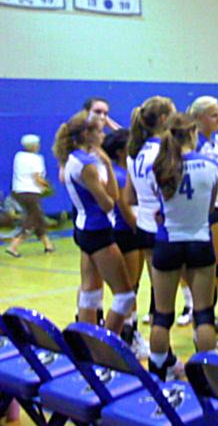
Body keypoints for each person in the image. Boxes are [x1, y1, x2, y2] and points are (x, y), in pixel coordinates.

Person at [147, 113, 218, 381]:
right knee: (203, 314)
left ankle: (157, 375)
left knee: (162, 316)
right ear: (192, 133)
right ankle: (209, 376)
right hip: (200, 242)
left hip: (168, 243)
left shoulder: (160, 167)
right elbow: (210, 207)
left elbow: (161, 205)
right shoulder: (210, 165)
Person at [53, 111, 134, 334]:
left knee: (90, 292)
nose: (102, 135)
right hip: (99, 230)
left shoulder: (71, 158)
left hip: (83, 229)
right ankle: (105, 348)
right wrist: (108, 166)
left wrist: (106, 166)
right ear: (87, 134)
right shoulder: (88, 165)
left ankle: (86, 342)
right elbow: (109, 203)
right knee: (125, 296)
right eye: (99, 130)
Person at [185, 96, 218, 338]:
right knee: (204, 268)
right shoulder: (192, 146)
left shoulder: (214, 145)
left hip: (215, 211)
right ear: (198, 117)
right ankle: (200, 318)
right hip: (199, 214)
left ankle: (207, 314)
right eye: (214, 115)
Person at [125, 96, 176, 324]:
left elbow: (129, 196)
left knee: (155, 282)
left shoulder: (134, 152)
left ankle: (147, 323)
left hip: (144, 223)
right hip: (164, 224)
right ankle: (161, 351)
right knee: (167, 290)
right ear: (164, 118)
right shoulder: (165, 151)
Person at [102, 129, 149, 359]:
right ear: (121, 150)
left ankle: (129, 336)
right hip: (126, 234)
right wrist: (142, 231)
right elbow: (125, 210)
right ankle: (127, 339)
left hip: (126, 233)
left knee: (131, 288)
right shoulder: (120, 176)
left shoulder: (122, 171)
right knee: (129, 289)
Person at [5, 134, 55, 257]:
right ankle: (14, 246)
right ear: (34, 145)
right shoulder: (36, 159)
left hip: (18, 191)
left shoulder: (19, 156)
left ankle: (48, 245)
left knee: (38, 217)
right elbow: (37, 177)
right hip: (31, 192)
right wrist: (47, 186)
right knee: (32, 219)